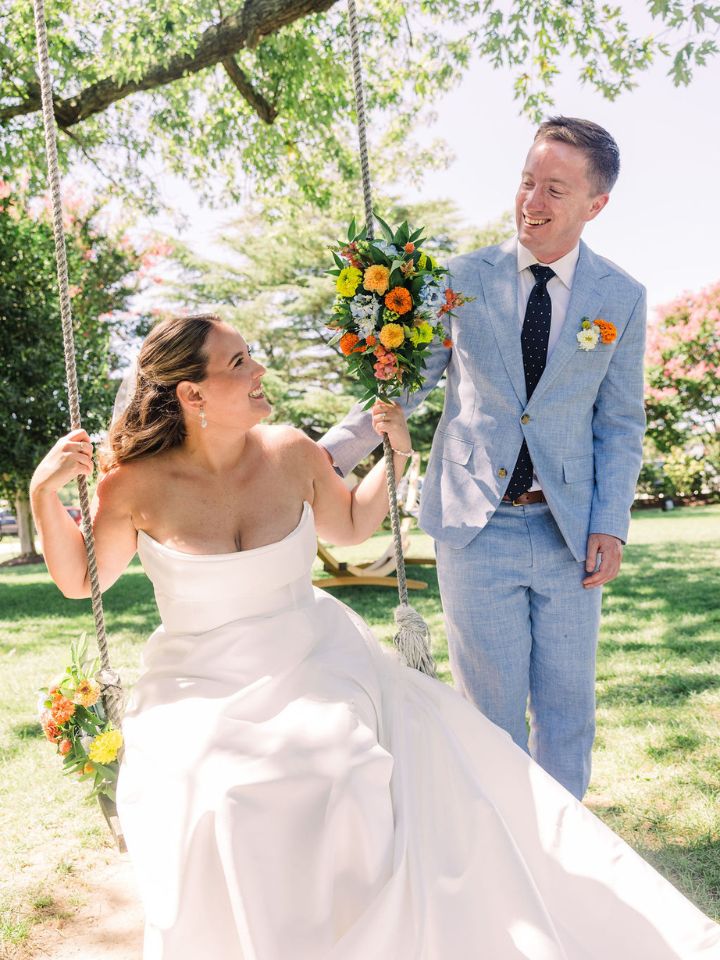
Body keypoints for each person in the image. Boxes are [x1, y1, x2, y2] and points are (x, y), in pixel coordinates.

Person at [30, 313, 719, 958]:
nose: (259, 369)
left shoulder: (290, 451)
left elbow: (352, 527)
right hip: (197, 679)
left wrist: (395, 456)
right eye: (240, 362)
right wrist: (43, 492)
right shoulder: (132, 486)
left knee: (341, 763)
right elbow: (79, 580)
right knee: (216, 790)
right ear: (193, 392)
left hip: (312, 654)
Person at [320, 116, 645, 801]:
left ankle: (566, 860)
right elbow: (403, 384)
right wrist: (328, 458)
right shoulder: (460, 281)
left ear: (596, 204)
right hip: (475, 527)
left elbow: (618, 423)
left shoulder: (621, 297)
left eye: (555, 188)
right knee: (489, 717)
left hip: (569, 534)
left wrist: (610, 524)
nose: (533, 200)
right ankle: (505, 858)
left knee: (566, 713)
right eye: (527, 181)